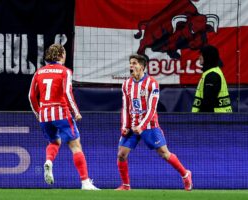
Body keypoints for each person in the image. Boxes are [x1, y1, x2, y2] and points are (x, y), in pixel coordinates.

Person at [115, 54, 193, 191]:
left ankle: (185, 174)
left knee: (164, 153)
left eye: (134, 63)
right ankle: (126, 185)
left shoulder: (152, 83)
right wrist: (125, 126)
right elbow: (126, 107)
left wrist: (142, 126)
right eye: (130, 63)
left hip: (149, 126)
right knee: (121, 154)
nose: (131, 66)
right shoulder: (126, 84)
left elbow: (152, 109)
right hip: (133, 125)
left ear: (142, 67)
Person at [28, 44, 99, 190]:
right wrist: (76, 111)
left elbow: (30, 96)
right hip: (60, 112)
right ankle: (85, 182)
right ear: (61, 55)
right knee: (75, 145)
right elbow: (67, 93)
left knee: (54, 142)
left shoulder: (39, 72)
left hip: (45, 114)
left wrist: (38, 113)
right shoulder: (65, 71)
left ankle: (49, 161)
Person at [192, 45, 232, 112]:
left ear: (208, 56)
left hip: (215, 119)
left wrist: (199, 119)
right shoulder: (211, 72)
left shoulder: (212, 75)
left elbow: (208, 103)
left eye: (201, 55)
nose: (199, 57)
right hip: (219, 118)